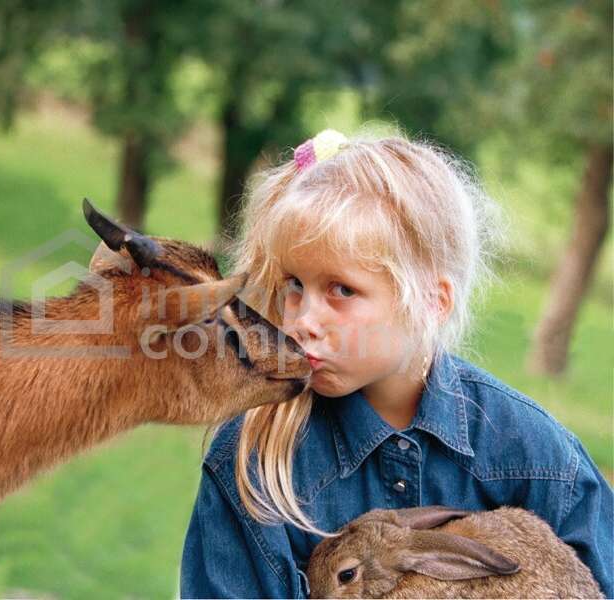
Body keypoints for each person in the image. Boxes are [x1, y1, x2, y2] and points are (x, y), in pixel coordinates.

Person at [179, 130, 613, 598]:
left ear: (432, 301)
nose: (303, 321)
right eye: (294, 285)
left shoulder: (538, 460)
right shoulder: (256, 465)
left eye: (342, 290)